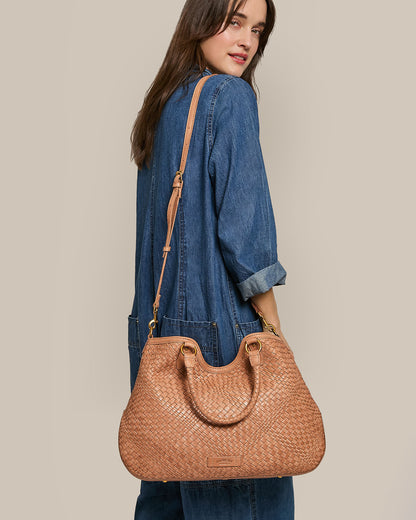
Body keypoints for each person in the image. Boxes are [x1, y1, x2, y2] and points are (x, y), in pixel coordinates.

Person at [127, 0, 294, 518]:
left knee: (167, 500)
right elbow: (247, 243)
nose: (247, 40)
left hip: (155, 341)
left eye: (258, 29)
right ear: (200, 20)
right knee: (245, 501)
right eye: (234, 22)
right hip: (222, 346)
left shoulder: (165, 105)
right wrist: (275, 338)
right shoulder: (230, 98)